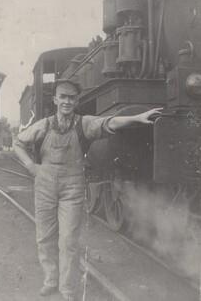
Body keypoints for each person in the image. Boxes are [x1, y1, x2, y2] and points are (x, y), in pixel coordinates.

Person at [13, 78, 162, 301]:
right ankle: (50, 280)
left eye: (71, 98)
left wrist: (137, 118)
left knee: (69, 241)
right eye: (62, 97)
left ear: (76, 101)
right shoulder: (43, 125)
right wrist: (31, 166)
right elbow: (18, 142)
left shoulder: (84, 124)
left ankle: (67, 289)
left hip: (72, 188)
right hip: (44, 185)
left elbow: (109, 123)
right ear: (55, 100)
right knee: (44, 237)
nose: (66, 101)